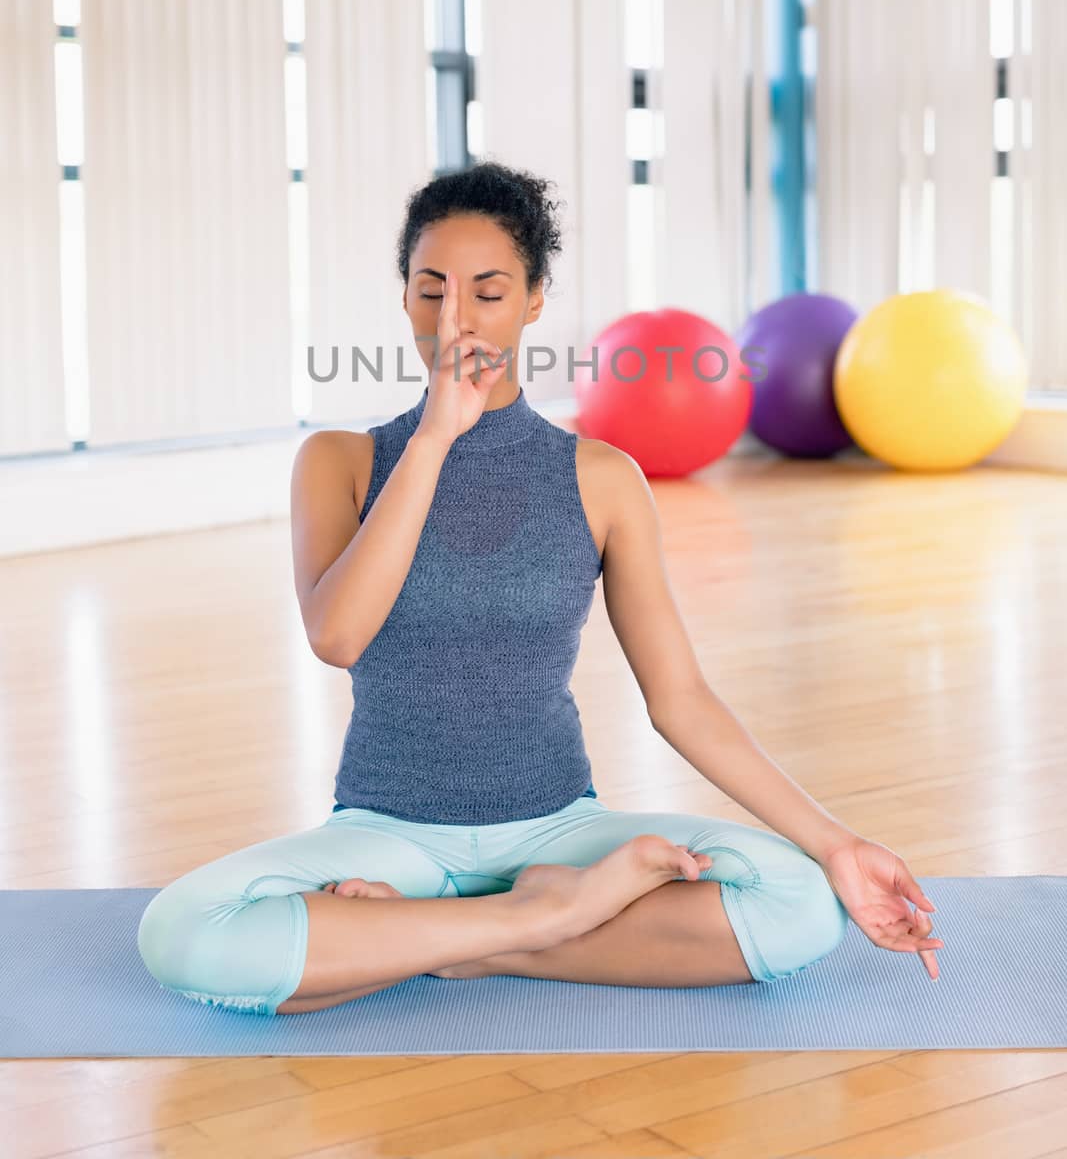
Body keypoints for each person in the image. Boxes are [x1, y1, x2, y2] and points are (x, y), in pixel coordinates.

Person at [137, 161, 943, 1016]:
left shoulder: (600, 477)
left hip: (561, 829)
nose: (455, 317)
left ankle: (466, 943)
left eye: (487, 291)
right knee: (183, 932)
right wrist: (435, 439)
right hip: (387, 836)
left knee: (799, 904)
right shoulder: (341, 461)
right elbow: (337, 637)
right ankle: (541, 918)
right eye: (430, 289)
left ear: (533, 302)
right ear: (403, 299)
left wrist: (837, 844)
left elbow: (679, 699)